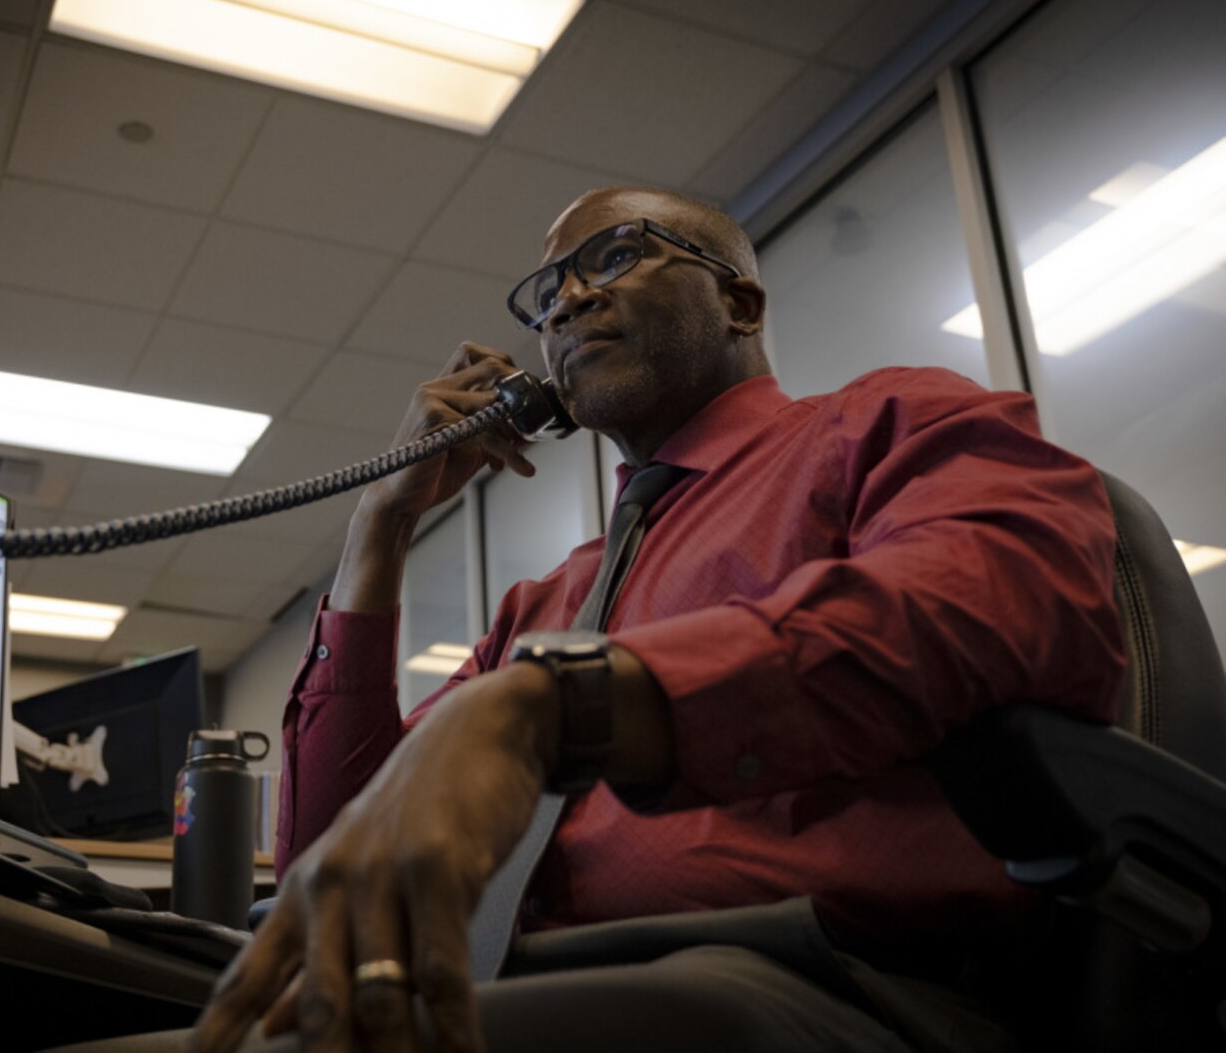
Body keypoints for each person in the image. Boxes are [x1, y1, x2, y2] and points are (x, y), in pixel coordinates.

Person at [189, 188, 1125, 1052]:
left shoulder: (883, 421)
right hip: (512, 989)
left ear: (740, 306)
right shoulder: (546, 605)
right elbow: (333, 855)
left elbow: (1009, 595)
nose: (562, 304)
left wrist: (564, 708)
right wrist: (378, 527)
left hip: (804, 983)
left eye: (612, 257)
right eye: (544, 294)